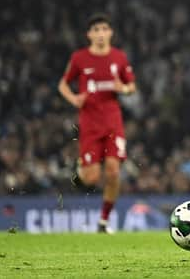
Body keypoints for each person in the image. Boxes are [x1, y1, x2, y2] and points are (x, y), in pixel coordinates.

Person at [58, 13, 136, 234]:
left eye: (104, 29)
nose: (100, 33)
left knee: (113, 172)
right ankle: (80, 169)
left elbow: (132, 86)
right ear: (89, 34)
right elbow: (63, 84)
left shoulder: (119, 57)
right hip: (90, 123)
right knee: (91, 178)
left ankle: (103, 221)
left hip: (113, 122)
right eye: (96, 30)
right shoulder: (80, 58)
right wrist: (73, 99)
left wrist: (124, 89)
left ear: (110, 32)